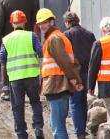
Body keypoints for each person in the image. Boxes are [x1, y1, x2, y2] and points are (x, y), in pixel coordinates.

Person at [36, 8, 83, 139]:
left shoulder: (54, 38)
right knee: (56, 124)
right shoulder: (56, 37)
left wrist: (75, 80)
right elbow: (72, 62)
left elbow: (65, 62)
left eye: (44, 22)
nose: (41, 26)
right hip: (58, 85)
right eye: (39, 23)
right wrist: (75, 79)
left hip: (57, 85)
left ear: (52, 22)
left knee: (58, 127)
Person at [0, 10, 44, 139]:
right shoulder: (32, 36)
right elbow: (41, 52)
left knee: (17, 107)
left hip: (15, 79)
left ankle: (21, 134)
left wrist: (4, 84)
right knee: (35, 102)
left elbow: (2, 59)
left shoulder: (6, 39)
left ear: (12, 24)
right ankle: (38, 128)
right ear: (24, 22)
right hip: (32, 76)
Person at [0, 0, 39, 101]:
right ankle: (31, 89)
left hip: (10, 39)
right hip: (27, 37)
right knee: (28, 61)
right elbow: (35, 18)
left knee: (5, 62)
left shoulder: (4, 1)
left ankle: (6, 90)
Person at [63, 11, 96, 139]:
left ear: (67, 22)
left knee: (75, 102)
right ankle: (82, 129)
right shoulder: (89, 34)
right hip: (87, 72)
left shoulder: (67, 35)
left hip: (74, 73)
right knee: (83, 101)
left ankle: (80, 133)